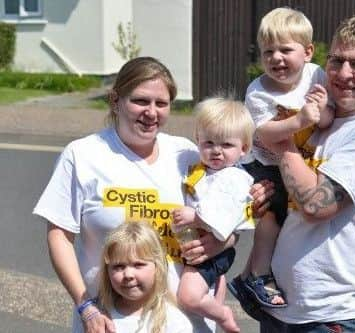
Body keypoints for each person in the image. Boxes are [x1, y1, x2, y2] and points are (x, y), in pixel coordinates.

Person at [33, 57, 271, 333]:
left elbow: (225, 211)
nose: (151, 112)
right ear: (115, 100)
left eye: (161, 103)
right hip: (110, 322)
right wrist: (85, 305)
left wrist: (224, 241)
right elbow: (59, 235)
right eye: (140, 101)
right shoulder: (83, 154)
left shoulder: (188, 155)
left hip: (184, 322)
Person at [254, 14, 355, 332]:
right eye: (337, 60)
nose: (344, 74)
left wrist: (281, 139)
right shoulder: (323, 117)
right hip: (285, 309)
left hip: (332, 317)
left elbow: (315, 204)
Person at [228, 7, 334, 309]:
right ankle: (259, 274)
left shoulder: (317, 76)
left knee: (294, 219)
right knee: (274, 211)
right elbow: (263, 132)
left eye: (285, 49)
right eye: (268, 51)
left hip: (298, 160)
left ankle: (248, 275)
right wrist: (300, 119)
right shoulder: (259, 91)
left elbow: (326, 120)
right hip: (263, 162)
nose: (276, 58)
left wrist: (323, 110)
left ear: (308, 52)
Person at [170, 96, 256, 332]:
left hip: (213, 252)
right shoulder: (203, 171)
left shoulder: (234, 179)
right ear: (197, 141)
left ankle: (223, 313)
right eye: (208, 143)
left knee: (188, 296)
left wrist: (195, 217)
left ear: (244, 149)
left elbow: (225, 216)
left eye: (226, 145)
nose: (216, 151)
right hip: (197, 247)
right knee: (197, 288)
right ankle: (216, 296)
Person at [97, 221, 192, 333]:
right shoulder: (97, 317)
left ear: (158, 267)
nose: (128, 275)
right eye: (119, 266)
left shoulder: (174, 322)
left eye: (138, 265)